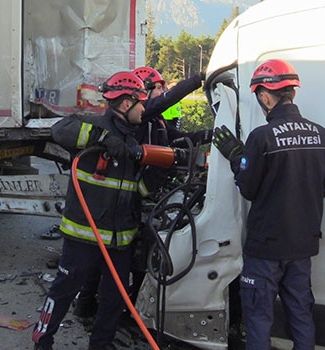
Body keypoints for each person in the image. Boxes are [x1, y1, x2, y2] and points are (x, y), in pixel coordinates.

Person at [32, 71, 165, 350]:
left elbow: (134, 191)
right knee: (64, 290)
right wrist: (102, 138)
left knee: (115, 298)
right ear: (125, 104)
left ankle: (100, 345)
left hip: (119, 240)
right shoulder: (91, 125)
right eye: (139, 103)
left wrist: (154, 179)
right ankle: (42, 340)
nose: (144, 109)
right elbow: (59, 130)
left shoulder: (133, 139)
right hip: (84, 236)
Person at [72, 66, 213, 319]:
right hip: (127, 191)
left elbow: (179, 138)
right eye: (158, 87)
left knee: (129, 251)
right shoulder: (141, 116)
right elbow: (167, 101)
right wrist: (198, 79)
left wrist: (210, 134)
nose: (163, 91)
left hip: (143, 188)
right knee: (120, 252)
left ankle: (121, 305)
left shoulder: (155, 122)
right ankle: (97, 304)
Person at [212, 59, 325, 349]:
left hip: (266, 249)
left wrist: (235, 156)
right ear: (292, 92)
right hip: (302, 246)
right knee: (302, 317)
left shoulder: (262, 137)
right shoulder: (323, 136)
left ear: (265, 95)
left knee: (259, 321)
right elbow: (323, 189)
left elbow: (248, 188)